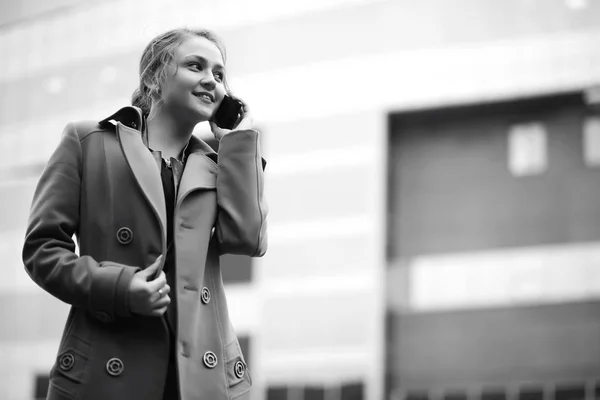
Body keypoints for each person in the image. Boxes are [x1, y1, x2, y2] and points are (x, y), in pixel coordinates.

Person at [22, 27, 267, 400]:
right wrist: (120, 288)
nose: (211, 81)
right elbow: (42, 250)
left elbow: (247, 239)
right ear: (156, 77)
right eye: (195, 66)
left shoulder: (220, 166)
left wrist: (238, 141)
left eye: (219, 75)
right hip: (108, 369)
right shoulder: (88, 143)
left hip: (201, 378)